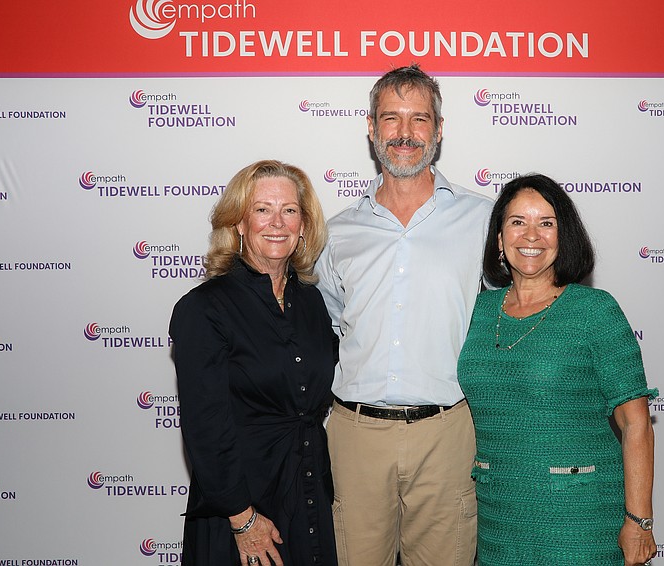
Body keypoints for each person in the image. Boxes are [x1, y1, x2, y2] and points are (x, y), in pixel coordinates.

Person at [314, 64, 493, 566]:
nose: (405, 133)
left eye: (420, 119)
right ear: (371, 128)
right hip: (355, 434)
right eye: (391, 118)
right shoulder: (339, 231)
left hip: (448, 433)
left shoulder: (483, 220)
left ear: (439, 129)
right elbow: (328, 324)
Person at [456, 173, 658, 566]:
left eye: (546, 223)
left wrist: (639, 521)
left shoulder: (595, 311)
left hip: (580, 522)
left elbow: (636, 424)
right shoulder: (477, 311)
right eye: (517, 222)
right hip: (499, 520)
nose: (531, 235)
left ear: (563, 238)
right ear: (499, 239)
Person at [169, 160, 338, 566]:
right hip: (242, 507)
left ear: (303, 224)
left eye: (290, 210)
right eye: (262, 209)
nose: (277, 222)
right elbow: (205, 428)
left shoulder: (313, 303)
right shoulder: (204, 309)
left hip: (309, 494)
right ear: (239, 224)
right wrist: (243, 521)